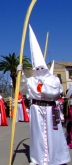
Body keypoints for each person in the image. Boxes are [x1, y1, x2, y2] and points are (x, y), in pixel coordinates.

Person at [20, 25, 70, 165]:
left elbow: (56, 92)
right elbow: (23, 89)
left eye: (42, 68)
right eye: (37, 68)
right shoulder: (31, 80)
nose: (40, 70)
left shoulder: (52, 79)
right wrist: (21, 75)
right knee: (37, 135)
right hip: (36, 109)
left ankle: (57, 158)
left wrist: (43, 87)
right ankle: (37, 158)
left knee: (53, 134)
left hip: (50, 109)